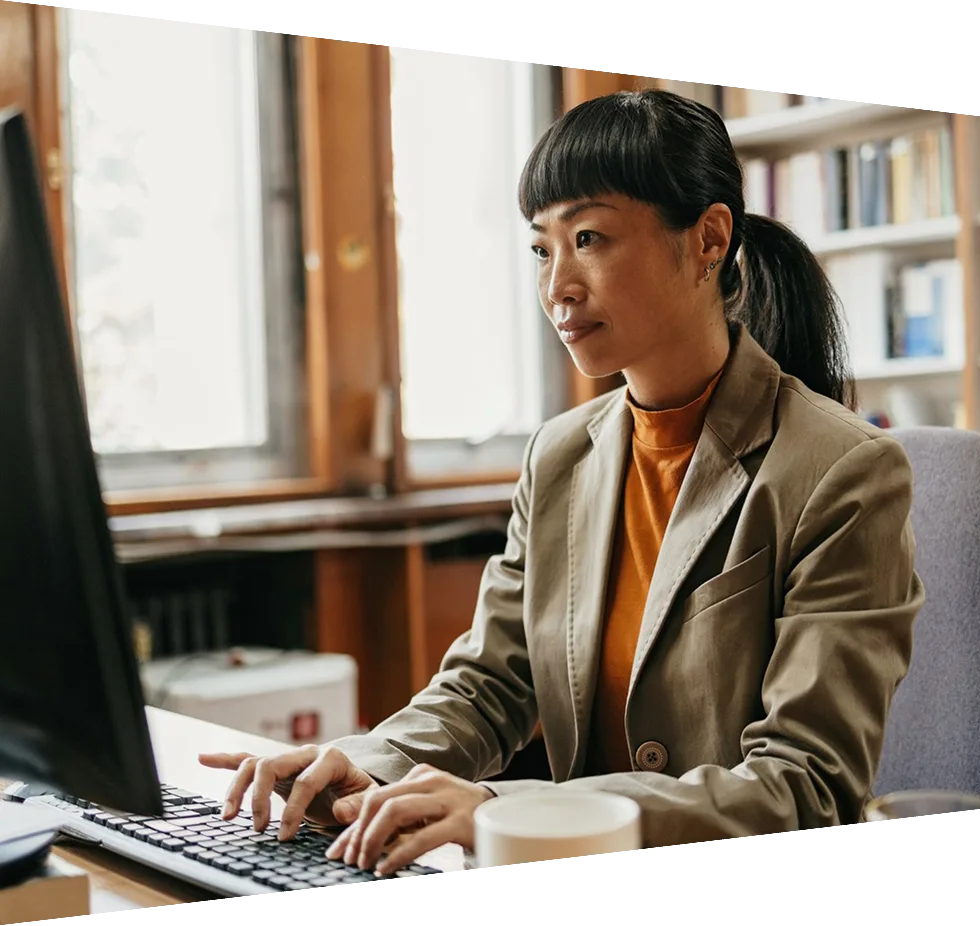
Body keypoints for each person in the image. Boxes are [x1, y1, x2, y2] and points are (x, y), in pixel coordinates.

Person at [200, 89, 924, 875]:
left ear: (709, 240)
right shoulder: (560, 455)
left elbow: (807, 785)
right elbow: (488, 684)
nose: (558, 287)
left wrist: (506, 809)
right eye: (542, 250)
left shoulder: (844, 469)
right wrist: (366, 764)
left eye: (588, 238)